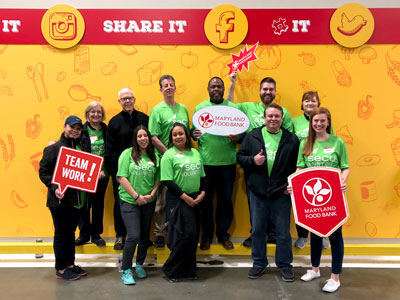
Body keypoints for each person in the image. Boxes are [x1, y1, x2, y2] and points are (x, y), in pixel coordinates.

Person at [228, 72, 294, 247]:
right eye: (265, 89)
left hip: (277, 170)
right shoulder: (249, 107)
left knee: (276, 203)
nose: (268, 92)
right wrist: (233, 84)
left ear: (275, 92)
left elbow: (289, 140)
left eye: (271, 89)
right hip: (254, 167)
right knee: (255, 203)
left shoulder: (283, 112)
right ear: (259, 91)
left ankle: (272, 234)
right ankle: (256, 234)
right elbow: (228, 107)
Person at [237, 103, 299, 282]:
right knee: (257, 230)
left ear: (282, 118)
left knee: (283, 232)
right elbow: (239, 157)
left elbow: (298, 165)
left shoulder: (292, 139)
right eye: (270, 116)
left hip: (281, 193)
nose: (273, 119)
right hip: (257, 192)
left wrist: (292, 184)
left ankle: (285, 265)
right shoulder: (253, 136)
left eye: (276, 116)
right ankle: (259, 263)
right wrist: (253, 160)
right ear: (264, 118)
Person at [293, 107, 349, 293]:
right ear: (311, 123)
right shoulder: (305, 143)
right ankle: (315, 269)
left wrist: (343, 180)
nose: (318, 124)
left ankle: (335, 277)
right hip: (312, 198)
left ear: (328, 122)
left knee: (335, 236)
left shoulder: (338, 142)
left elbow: (345, 167)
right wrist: (293, 184)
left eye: (322, 121)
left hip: (333, 197)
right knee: (315, 234)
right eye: (315, 121)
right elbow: (300, 168)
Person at [39, 115, 91, 280]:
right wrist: (54, 188)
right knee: (61, 234)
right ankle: (61, 269)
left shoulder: (80, 149)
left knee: (70, 233)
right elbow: (43, 172)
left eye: (78, 129)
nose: (74, 131)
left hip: (76, 201)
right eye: (71, 127)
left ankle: (70, 264)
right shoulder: (53, 149)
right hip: (59, 201)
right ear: (64, 127)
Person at [193, 77, 241, 250]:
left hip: (228, 163)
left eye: (219, 86)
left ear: (223, 89)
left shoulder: (233, 109)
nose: (216, 89)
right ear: (208, 88)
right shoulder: (200, 108)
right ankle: (206, 236)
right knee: (205, 203)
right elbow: (195, 132)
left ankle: (223, 235)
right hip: (206, 164)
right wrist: (193, 134)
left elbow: (242, 133)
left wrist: (238, 138)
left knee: (225, 202)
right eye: (213, 86)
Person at [105, 87, 149, 250]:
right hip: (122, 173)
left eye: (130, 98)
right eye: (124, 99)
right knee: (120, 203)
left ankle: (143, 236)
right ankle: (120, 236)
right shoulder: (114, 122)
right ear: (119, 102)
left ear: (134, 99)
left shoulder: (144, 118)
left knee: (143, 201)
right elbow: (110, 151)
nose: (127, 101)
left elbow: (149, 144)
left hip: (144, 171)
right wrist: (117, 174)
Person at [149, 75, 190, 248]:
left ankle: (178, 230)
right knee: (161, 201)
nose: (168, 88)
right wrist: (168, 155)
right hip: (164, 161)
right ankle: (159, 233)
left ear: (175, 87)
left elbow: (187, 133)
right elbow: (153, 137)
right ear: (161, 89)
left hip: (184, 161)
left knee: (182, 195)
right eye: (165, 85)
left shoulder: (184, 109)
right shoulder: (157, 110)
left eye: (171, 85)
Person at [161, 123, 205, 282]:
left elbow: (202, 176)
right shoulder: (168, 155)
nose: (178, 137)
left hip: (195, 198)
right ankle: (170, 268)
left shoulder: (195, 153)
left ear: (187, 135)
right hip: (179, 200)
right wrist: (185, 197)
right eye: (175, 135)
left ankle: (188, 270)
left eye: (181, 133)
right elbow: (167, 180)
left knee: (193, 238)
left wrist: (203, 192)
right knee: (187, 235)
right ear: (171, 138)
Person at [117, 125, 160, 285]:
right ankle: (126, 270)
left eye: (145, 136)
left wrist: (152, 194)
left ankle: (140, 264)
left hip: (148, 201)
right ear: (135, 139)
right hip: (130, 201)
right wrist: (136, 196)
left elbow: (157, 179)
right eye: (139, 136)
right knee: (134, 235)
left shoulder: (154, 155)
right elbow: (122, 178)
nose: (143, 139)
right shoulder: (127, 154)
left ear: (149, 138)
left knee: (144, 236)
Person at [292, 91, 330, 249]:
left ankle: (322, 234)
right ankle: (302, 236)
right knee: (301, 204)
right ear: (302, 104)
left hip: (320, 166)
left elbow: (330, 142)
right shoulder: (294, 122)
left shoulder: (324, 120)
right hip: (300, 166)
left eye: (313, 101)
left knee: (321, 204)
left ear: (318, 103)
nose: (310, 104)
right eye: (306, 101)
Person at [75, 101, 109, 247]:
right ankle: (84, 234)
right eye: (93, 112)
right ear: (87, 114)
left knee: (98, 204)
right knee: (83, 204)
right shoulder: (81, 130)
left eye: (99, 112)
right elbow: (71, 146)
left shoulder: (107, 129)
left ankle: (96, 235)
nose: (96, 114)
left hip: (103, 174)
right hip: (86, 174)